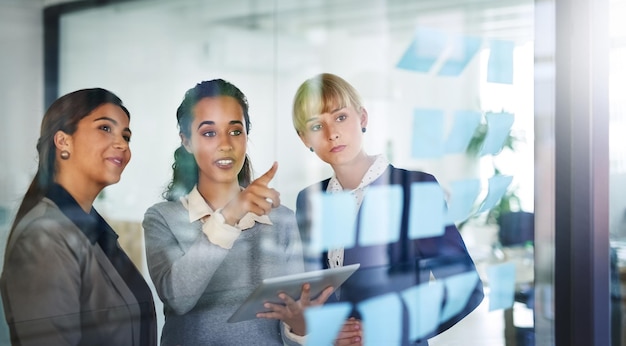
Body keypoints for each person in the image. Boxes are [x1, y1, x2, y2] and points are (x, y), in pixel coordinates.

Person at [292, 73, 485, 345]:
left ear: (363, 118)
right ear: (304, 139)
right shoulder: (310, 200)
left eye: (340, 117)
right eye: (316, 125)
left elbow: (465, 289)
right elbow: (317, 293)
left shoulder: (415, 189)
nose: (331, 133)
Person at [142, 79, 331, 346]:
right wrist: (230, 216)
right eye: (209, 133)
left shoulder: (282, 220)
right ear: (186, 141)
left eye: (235, 131)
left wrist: (300, 329)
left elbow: (293, 330)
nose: (225, 144)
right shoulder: (163, 218)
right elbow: (178, 298)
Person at [0, 88, 157, 346]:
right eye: (105, 128)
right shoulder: (44, 237)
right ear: (63, 141)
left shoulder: (90, 230)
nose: (122, 144)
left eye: (126, 136)